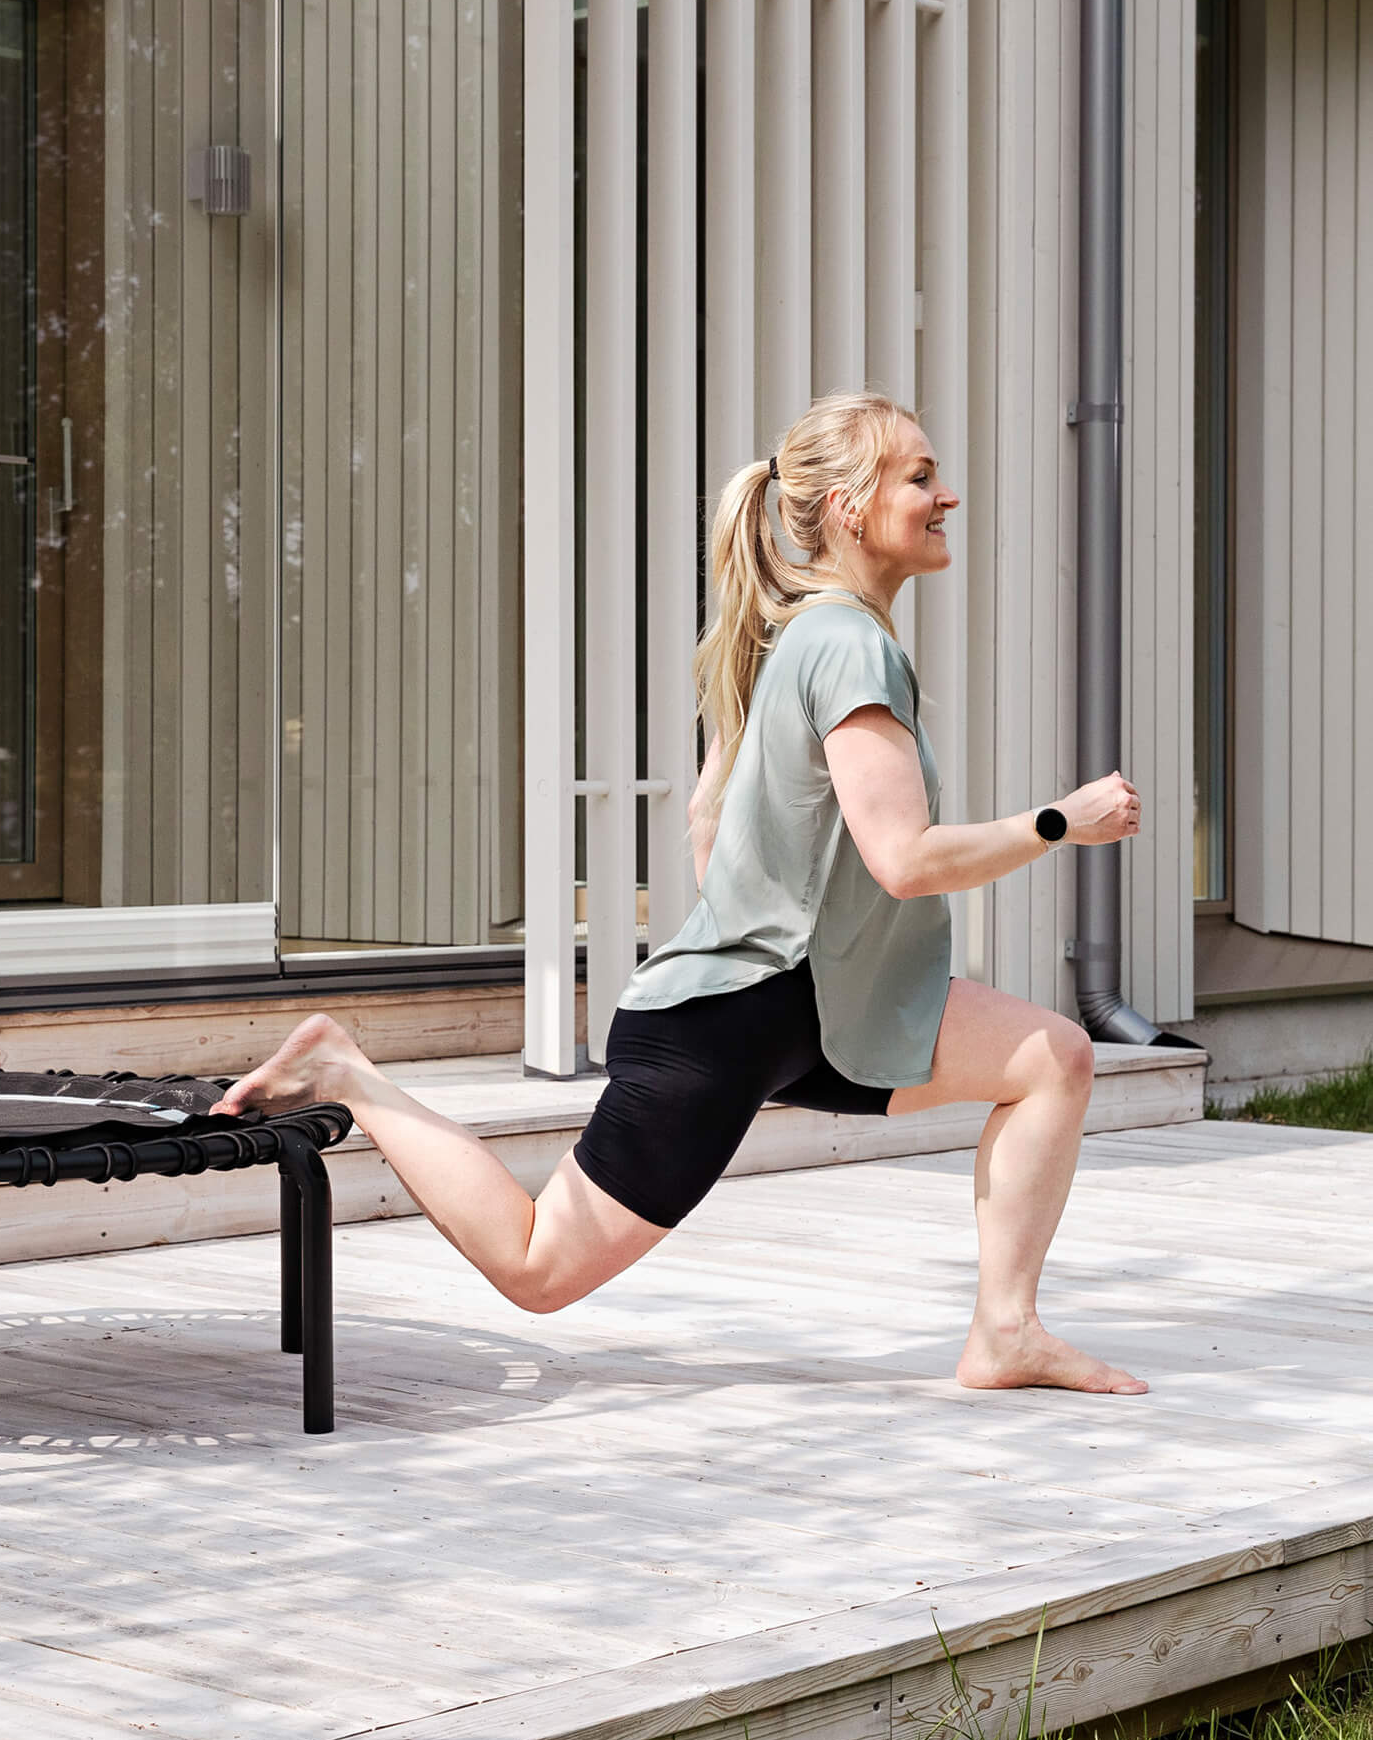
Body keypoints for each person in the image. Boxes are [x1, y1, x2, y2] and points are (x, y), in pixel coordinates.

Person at [216, 392, 1146, 1395]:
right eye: (918, 477)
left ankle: (1005, 1333)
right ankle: (350, 1075)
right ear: (843, 506)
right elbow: (903, 858)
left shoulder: (792, 641)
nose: (945, 494)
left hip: (810, 1004)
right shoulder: (847, 646)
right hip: (739, 1020)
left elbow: (709, 826)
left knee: (1055, 1056)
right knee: (538, 1268)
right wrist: (1062, 823)